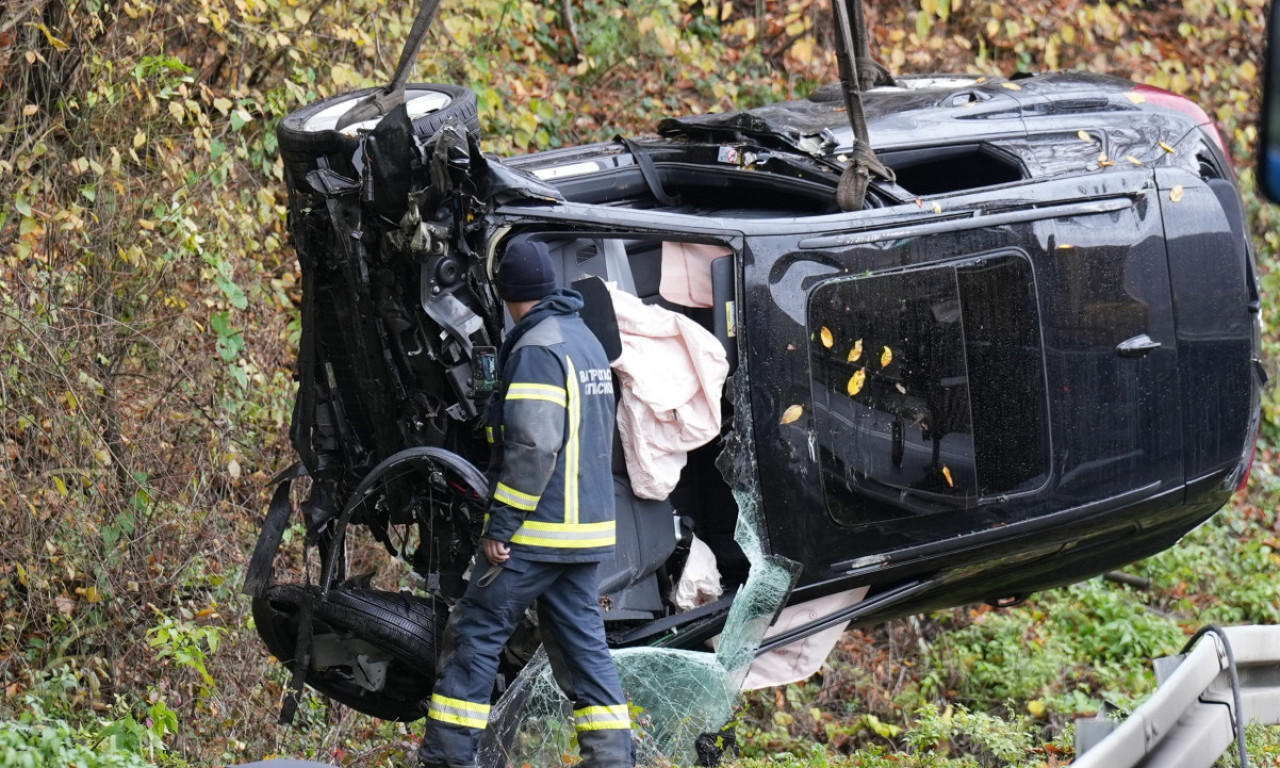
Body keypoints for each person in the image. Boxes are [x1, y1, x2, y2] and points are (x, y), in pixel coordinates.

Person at [417, 240, 634, 768]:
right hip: (584, 536)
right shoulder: (583, 341)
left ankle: (448, 757)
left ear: (508, 295)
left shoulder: (538, 348)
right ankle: (612, 761)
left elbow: (534, 446)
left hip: (537, 533)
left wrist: (502, 526)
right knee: (585, 651)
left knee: (477, 630)